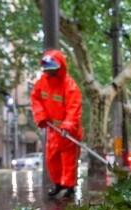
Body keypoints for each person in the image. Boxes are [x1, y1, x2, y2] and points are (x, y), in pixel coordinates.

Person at [31, 49, 82, 198]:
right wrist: (41, 116)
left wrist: (67, 126)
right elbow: (36, 99)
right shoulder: (41, 83)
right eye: (48, 70)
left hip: (69, 131)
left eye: (53, 70)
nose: (50, 73)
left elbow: (74, 108)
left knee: (68, 160)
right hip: (53, 130)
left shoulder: (70, 86)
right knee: (52, 159)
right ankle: (58, 184)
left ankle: (69, 186)